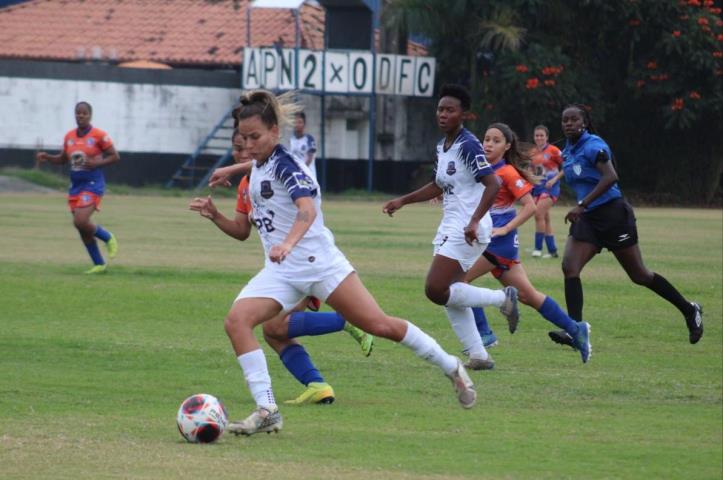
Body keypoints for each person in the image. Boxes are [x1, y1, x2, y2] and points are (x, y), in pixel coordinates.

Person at [220, 89, 477, 436]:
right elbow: (256, 162)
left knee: (380, 326)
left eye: (255, 137)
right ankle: (267, 409)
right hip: (283, 272)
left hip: (320, 265)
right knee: (237, 322)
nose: (249, 144)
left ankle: (451, 366)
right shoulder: (263, 161)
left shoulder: (286, 166)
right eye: (243, 138)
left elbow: (307, 210)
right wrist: (233, 168)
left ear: (275, 133)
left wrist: (288, 243)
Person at [190, 130, 373, 406]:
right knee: (273, 330)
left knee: (275, 325)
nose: (244, 153)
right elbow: (241, 231)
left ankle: (348, 320)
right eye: (238, 150)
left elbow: (306, 209)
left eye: (248, 146)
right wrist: (215, 215)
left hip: (304, 263)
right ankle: (318, 384)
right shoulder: (245, 187)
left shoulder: (280, 168)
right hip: (281, 267)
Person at [382, 84, 519, 372]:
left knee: (435, 288)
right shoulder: (442, 146)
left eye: (450, 110)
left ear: (464, 115)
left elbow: (492, 183)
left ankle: (501, 299)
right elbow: (438, 184)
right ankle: (478, 354)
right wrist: (403, 200)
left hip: (470, 227)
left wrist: (473, 220)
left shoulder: (468, 144)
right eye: (440, 109)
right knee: (449, 292)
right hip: (451, 224)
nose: (443, 114)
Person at [548, 104, 703, 348]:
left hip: (612, 215)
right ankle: (575, 330)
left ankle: (689, 309)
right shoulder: (567, 150)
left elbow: (611, 177)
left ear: (584, 122)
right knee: (570, 266)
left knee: (639, 275)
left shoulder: (594, 146)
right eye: (564, 120)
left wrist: (581, 204)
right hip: (588, 218)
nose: (568, 123)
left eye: (573, 119)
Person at [460, 123, 591, 363]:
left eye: (496, 140)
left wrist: (506, 228)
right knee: (528, 295)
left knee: (459, 282)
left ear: (507, 146)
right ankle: (575, 329)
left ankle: (485, 335)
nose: (488, 143)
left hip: (499, 243)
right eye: (486, 138)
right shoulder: (482, 170)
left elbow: (530, 206)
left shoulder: (507, 172)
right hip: (492, 242)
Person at [36, 101, 120, 273]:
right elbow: (62, 159)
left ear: (90, 115)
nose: (80, 116)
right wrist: (47, 157)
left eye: (84, 113)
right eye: (78, 113)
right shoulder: (69, 137)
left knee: (80, 220)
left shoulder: (99, 135)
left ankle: (108, 237)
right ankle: (99, 264)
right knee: (82, 227)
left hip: (93, 184)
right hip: (76, 186)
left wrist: (96, 163)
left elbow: (114, 156)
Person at [529, 125, 563, 259]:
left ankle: (537, 249)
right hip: (538, 188)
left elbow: (566, 167)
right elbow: (532, 170)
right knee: (545, 218)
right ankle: (553, 251)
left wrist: (554, 179)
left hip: (551, 189)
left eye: (541, 135)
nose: (539, 138)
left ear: (547, 137)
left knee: (538, 214)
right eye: (537, 135)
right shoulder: (532, 152)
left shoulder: (554, 150)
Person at [289, 111, 317, 181]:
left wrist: (302, 170)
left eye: (300, 122)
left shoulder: (309, 139)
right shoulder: (292, 139)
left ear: (304, 124)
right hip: (297, 175)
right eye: (295, 122)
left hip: (308, 174)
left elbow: (310, 158)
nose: (297, 124)